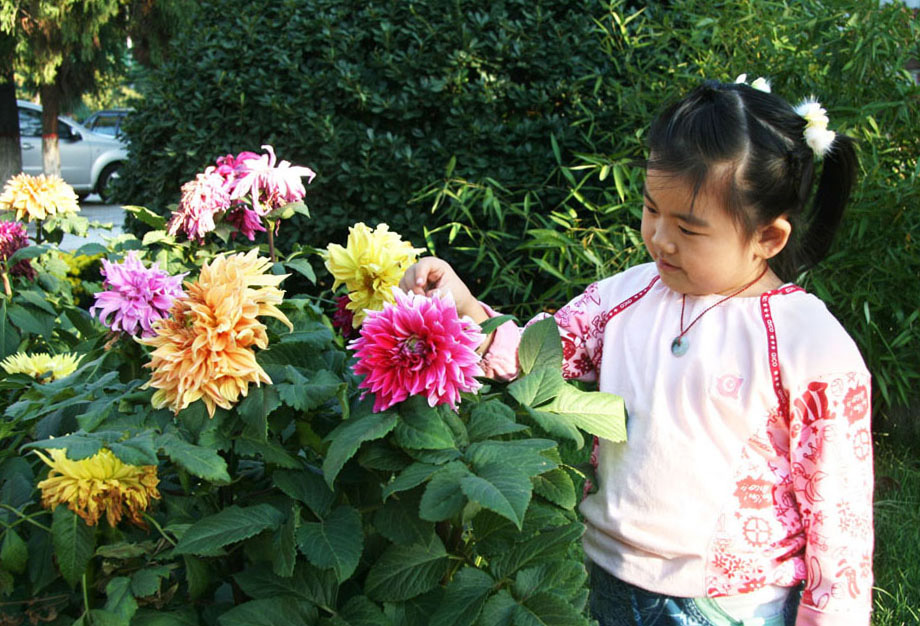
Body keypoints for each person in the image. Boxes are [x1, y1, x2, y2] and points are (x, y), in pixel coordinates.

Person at [399, 77, 873, 626]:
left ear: (767, 238)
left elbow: (838, 516)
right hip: (601, 575)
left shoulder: (807, 344)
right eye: (652, 211)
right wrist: (462, 306)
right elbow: (537, 353)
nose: (660, 239)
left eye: (689, 229)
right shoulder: (627, 297)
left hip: (726, 604)